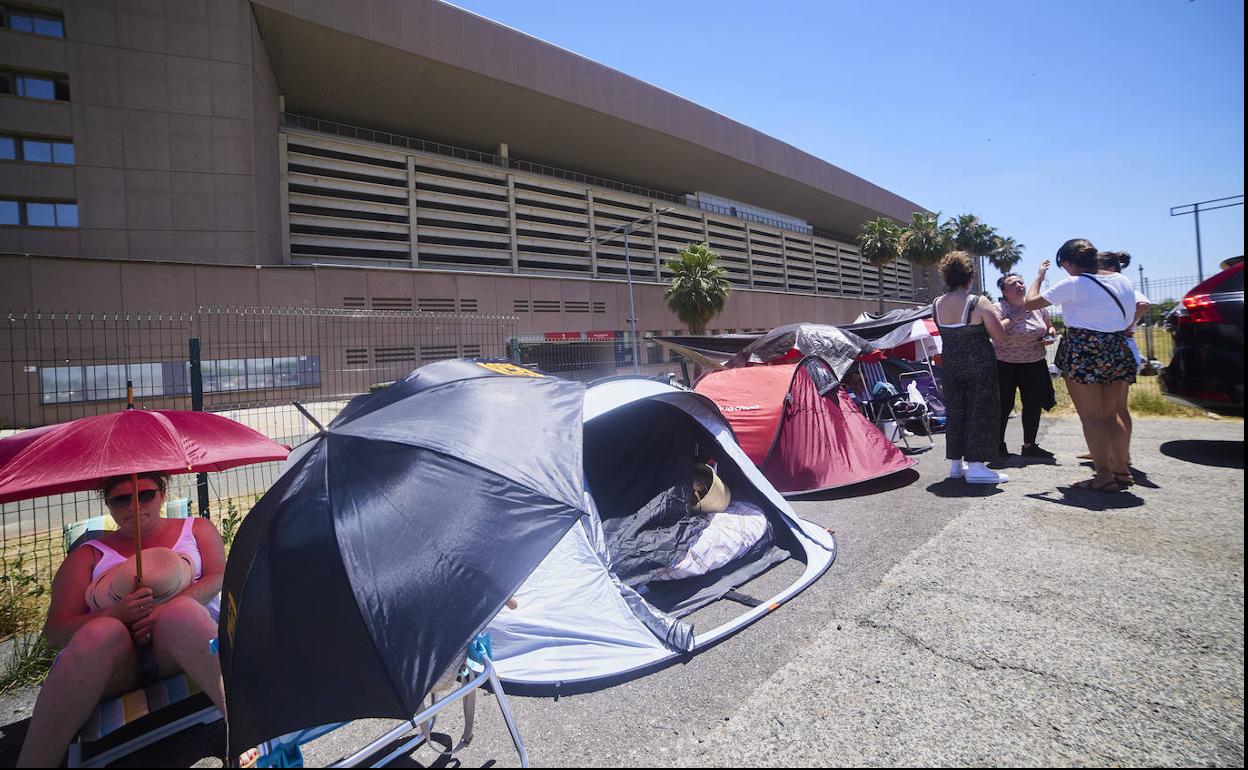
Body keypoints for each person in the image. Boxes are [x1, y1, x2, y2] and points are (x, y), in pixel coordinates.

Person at [17, 472, 227, 767]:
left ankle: (248, 729)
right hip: (117, 665)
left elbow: (219, 575)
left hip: (180, 648)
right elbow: (55, 631)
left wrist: (162, 611)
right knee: (101, 631)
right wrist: (115, 614)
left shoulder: (196, 529)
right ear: (108, 504)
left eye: (145, 495)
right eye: (121, 499)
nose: (134, 506)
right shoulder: (88, 555)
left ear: (163, 493)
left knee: (182, 612)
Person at [1024, 239, 1139, 492]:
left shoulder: (1074, 284)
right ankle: (1122, 471)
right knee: (1111, 415)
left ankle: (1103, 476)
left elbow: (1029, 302)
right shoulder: (1122, 281)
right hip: (1117, 349)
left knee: (1092, 418)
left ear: (1067, 263)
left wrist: (1039, 277)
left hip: (1084, 350)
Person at [933, 251, 1010, 484]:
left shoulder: (936, 303)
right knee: (980, 411)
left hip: (951, 365)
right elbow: (1000, 336)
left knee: (956, 412)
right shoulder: (978, 302)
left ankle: (956, 465)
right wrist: (1008, 321)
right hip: (979, 365)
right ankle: (976, 466)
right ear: (970, 277)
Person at [1073, 250, 1151, 466]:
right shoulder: (1111, 287)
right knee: (1105, 411)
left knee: (1117, 408)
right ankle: (1105, 451)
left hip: (1117, 348)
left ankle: (1122, 457)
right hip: (1114, 350)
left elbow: (1143, 304)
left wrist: (1126, 326)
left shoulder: (1120, 285)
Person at [994, 272, 1058, 459]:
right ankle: (998, 445)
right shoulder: (998, 308)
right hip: (1005, 364)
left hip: (1034, 363)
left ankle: (1030, 445)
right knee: (1003, 406)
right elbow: (996, 330)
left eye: (1021, 282)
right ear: (1005, 291)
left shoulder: (1037, 306)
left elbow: (1048, 325)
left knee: (1032, 405)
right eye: (1013, 284)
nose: (1019, 285)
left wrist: (1050, 334)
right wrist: (1017, 315)